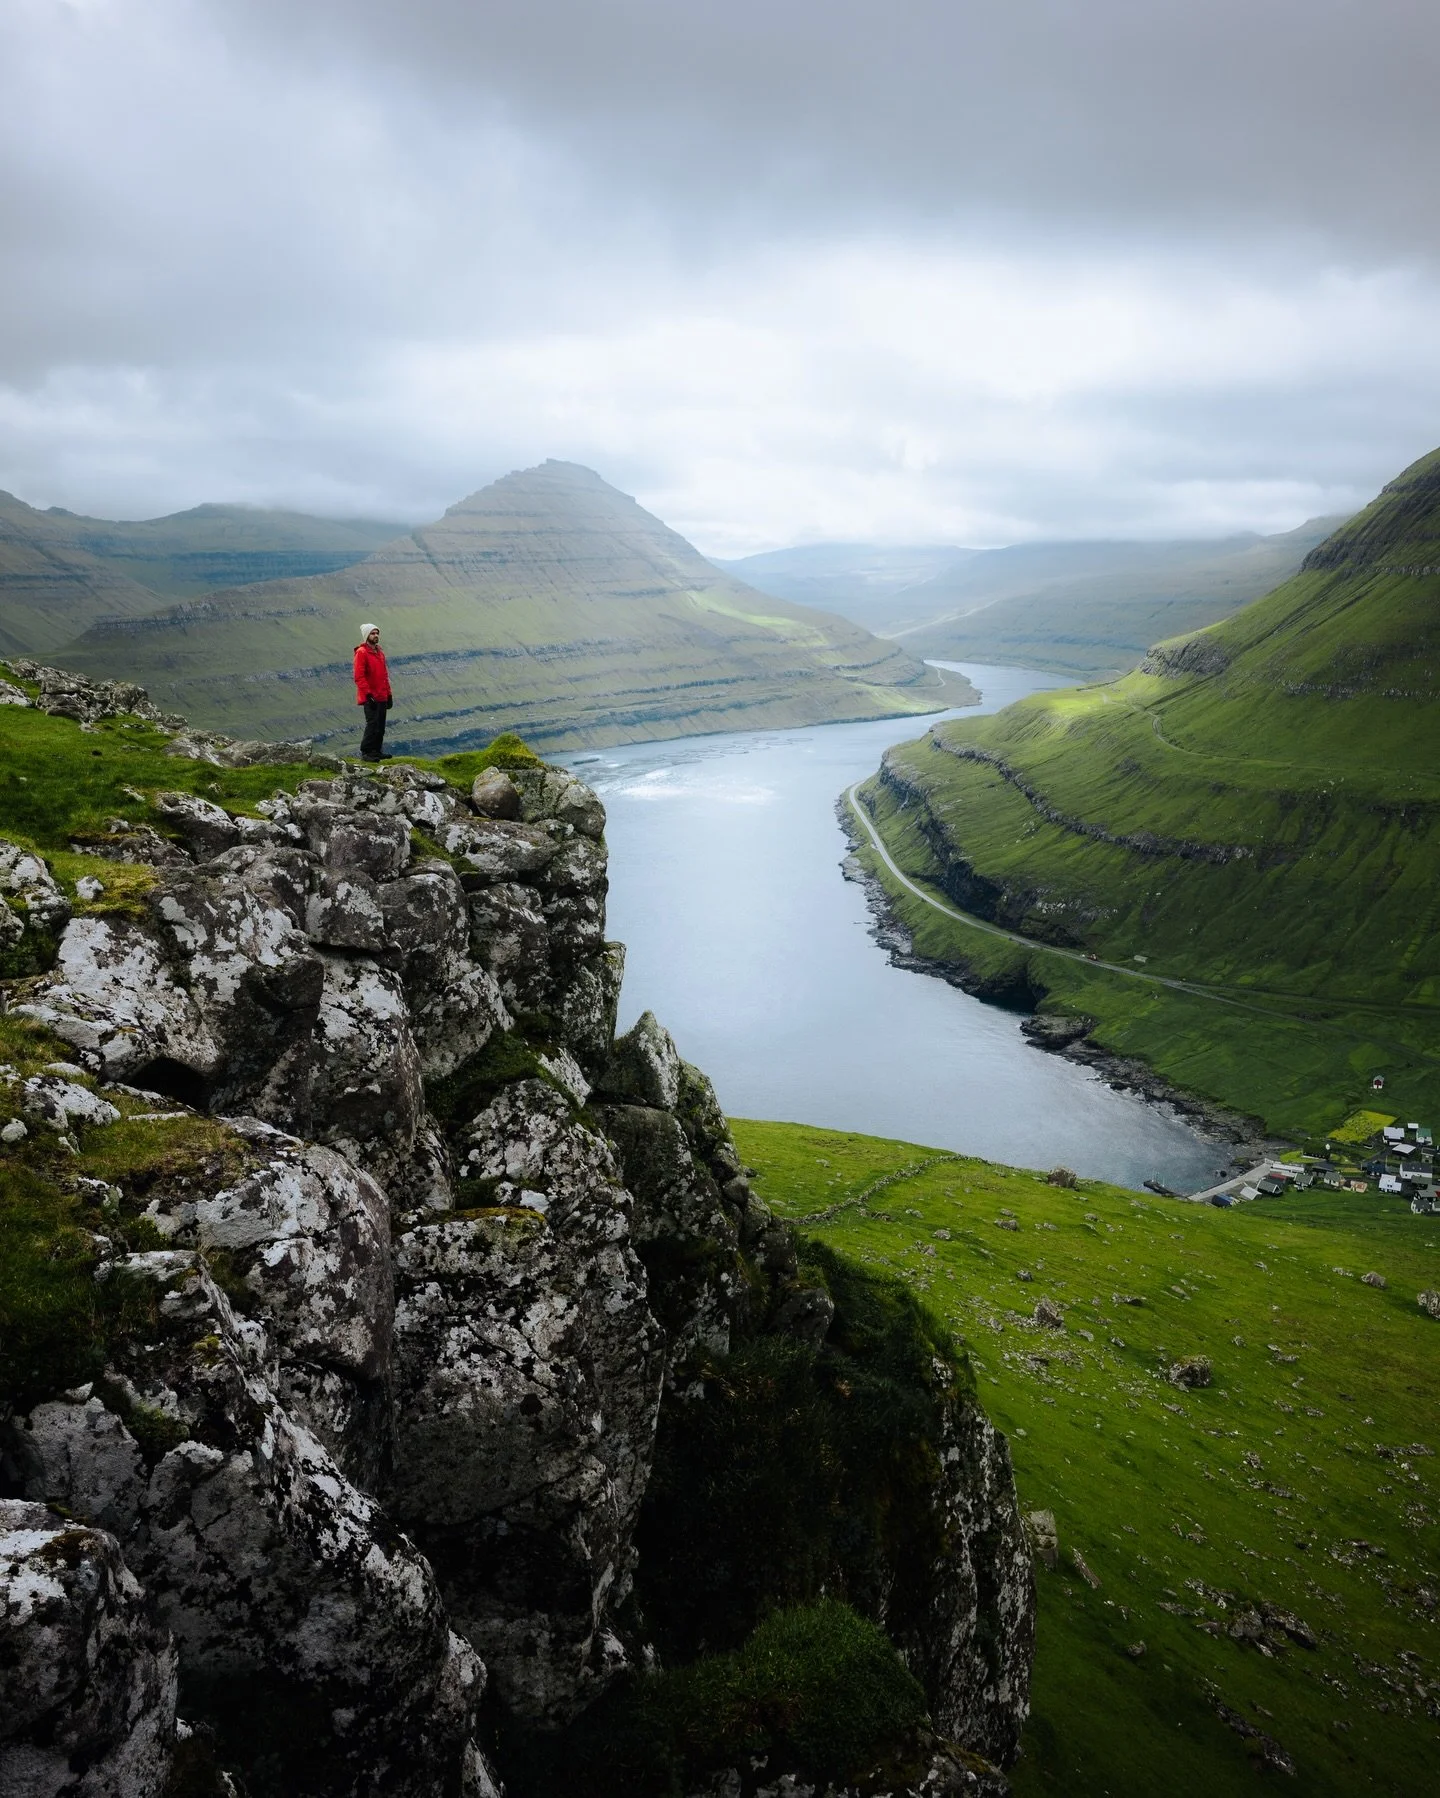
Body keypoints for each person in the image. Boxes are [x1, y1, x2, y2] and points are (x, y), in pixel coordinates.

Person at [353, 622, 393, 761]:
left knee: (380, 725)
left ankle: (376, 750)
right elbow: (359, 676)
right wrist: (368, 694)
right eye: (372, 633)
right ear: (366, 636)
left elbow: (384, 675)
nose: (376, 636)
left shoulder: (379, 652)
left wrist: (389, 694)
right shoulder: (362, 653)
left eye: (377, 633)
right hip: (370, 697)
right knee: (372, 724)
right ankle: (366, 752)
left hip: (382, 695)